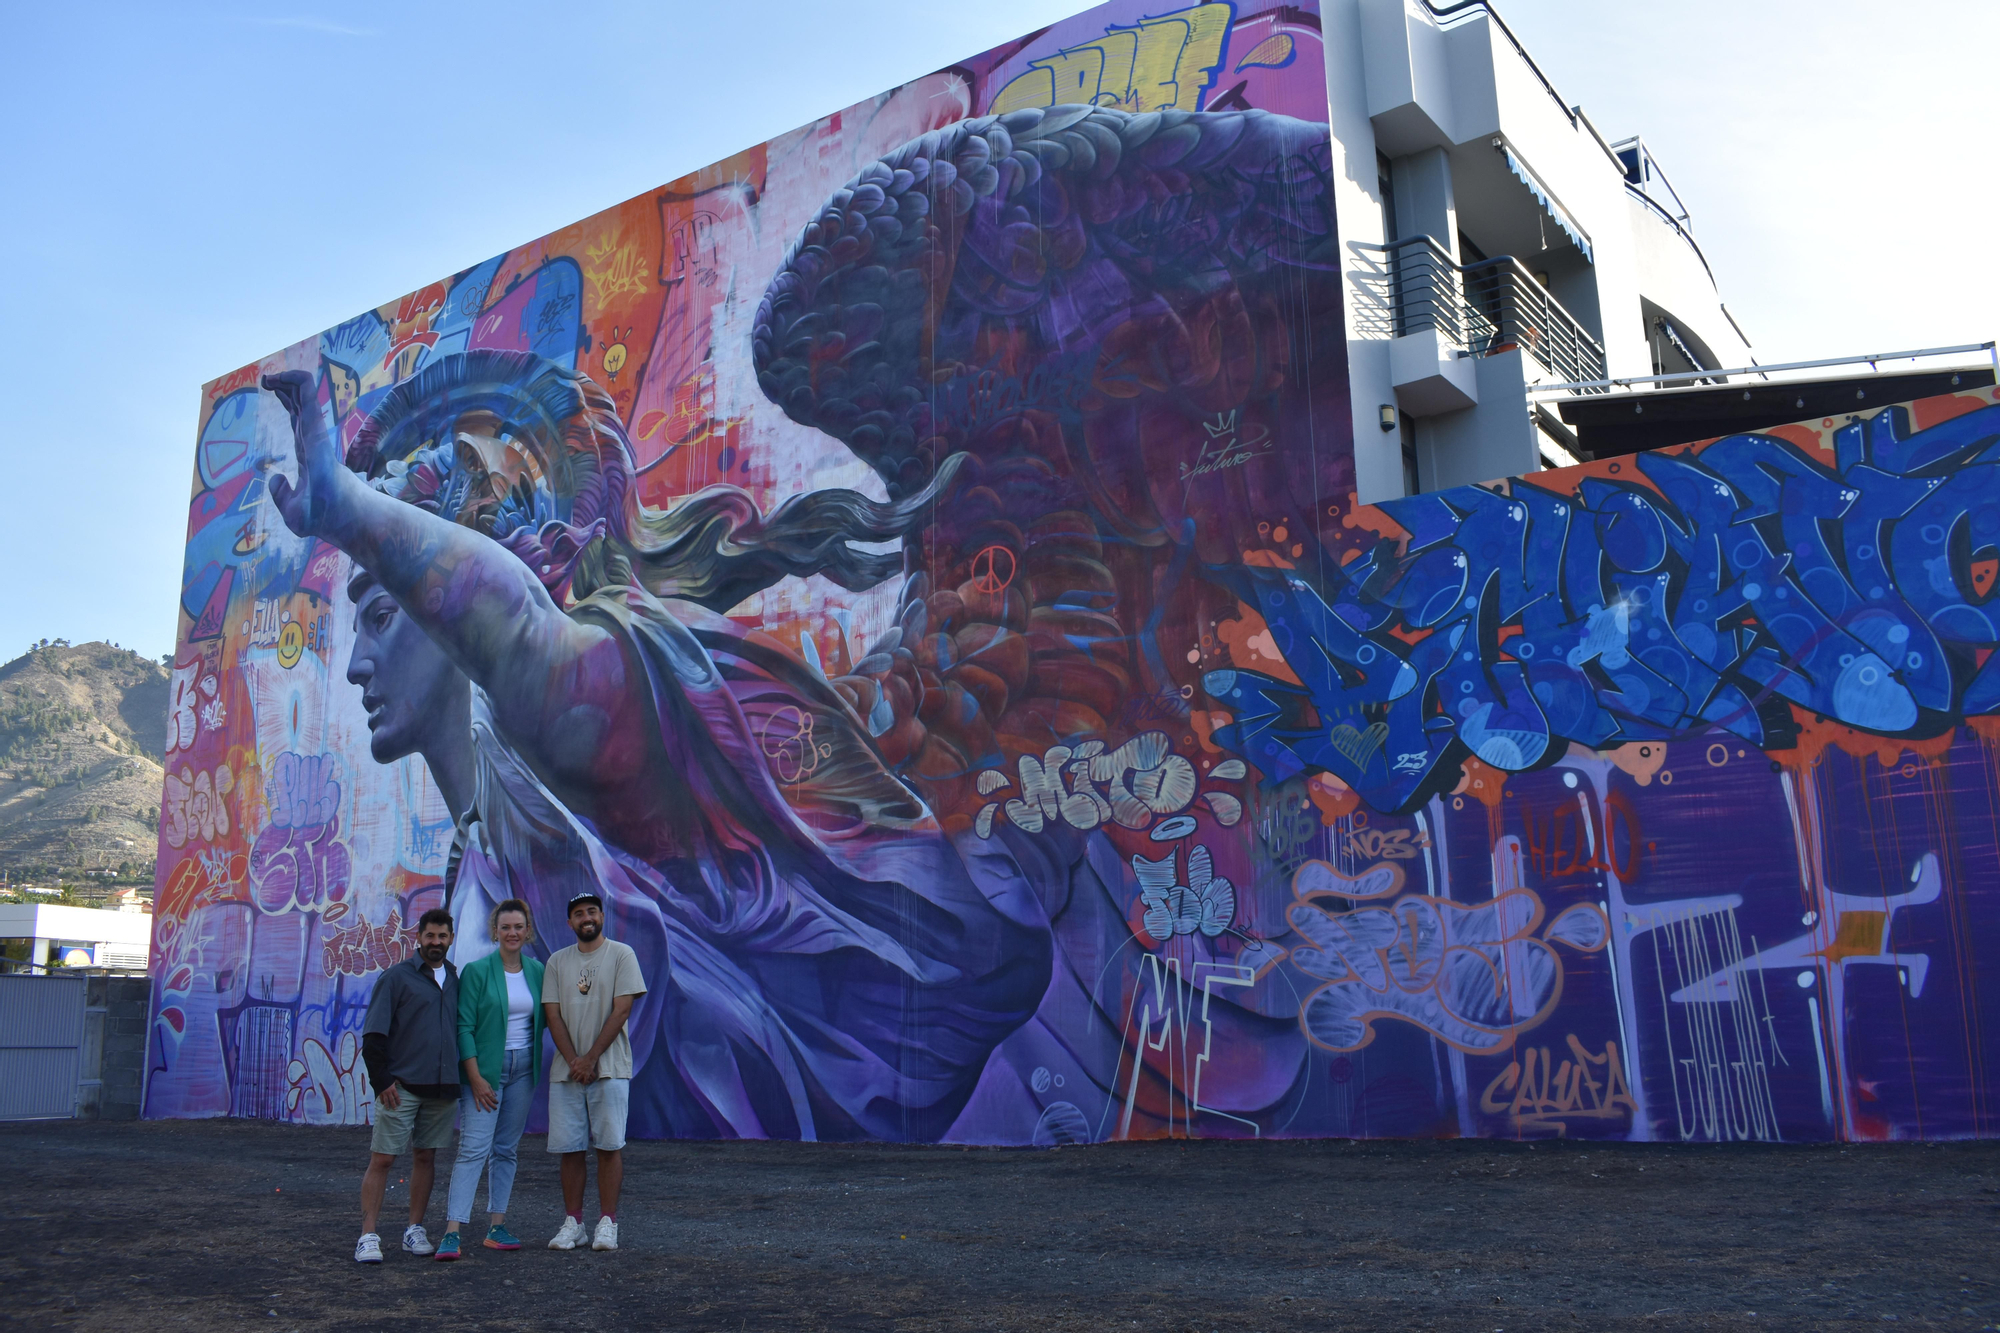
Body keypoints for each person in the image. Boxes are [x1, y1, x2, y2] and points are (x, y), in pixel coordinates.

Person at [436, 899, 546, 1260]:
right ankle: (453, 1231)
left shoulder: (537, 971)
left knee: (506, 1150)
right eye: (505, 927)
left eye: (518, 927)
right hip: (485, 1071)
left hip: (523, 1071)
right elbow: (464, 1027)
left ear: (527, 930)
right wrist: (476, 1077)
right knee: (473, 1148)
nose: (512, 933)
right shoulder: (477, 971)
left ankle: (497, 1226)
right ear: (495, 931)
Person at [542, 892, 646, 1252]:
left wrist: (591, 1058)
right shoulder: (557, 962)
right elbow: (552, 1015)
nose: (586, 918)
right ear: (569, 923)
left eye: (591, 911)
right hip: (567, 1072)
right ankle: (574, 1223)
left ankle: (607, 1222)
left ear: (602, 916)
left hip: (610, 1069)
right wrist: (575, 1060)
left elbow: (621, 1010)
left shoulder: (621, 954)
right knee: (570, 1149)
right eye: (578, 914)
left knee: (608, 1145)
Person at [356, 907, 461, 1263]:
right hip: (401, 1087)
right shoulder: (396, 978)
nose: (436, 942)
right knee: (383, 1158)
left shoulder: (455, 978)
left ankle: (414, 1230)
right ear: (418, 938)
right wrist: (381, 1079)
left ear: (450, 938)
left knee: (426, 1157)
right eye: (430, 935)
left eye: (442, 936)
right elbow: (373, 1032)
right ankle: (368, 1234)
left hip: (442, 1087)